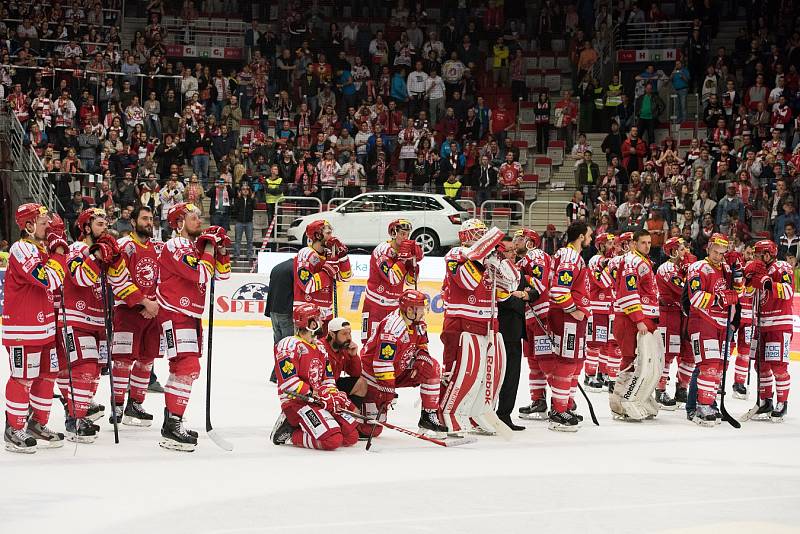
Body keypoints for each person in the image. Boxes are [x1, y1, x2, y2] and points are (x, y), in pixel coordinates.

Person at [57, 208, 142, 443]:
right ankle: (74, 419)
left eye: (106, 224)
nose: (105, 228)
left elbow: (122, 283)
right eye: (99, 224)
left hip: (100, 321)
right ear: (86, 227)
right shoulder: (75, 250)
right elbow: (81, 279)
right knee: (84, 369)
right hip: (76, 318)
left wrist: (143, 301)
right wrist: (96, 255)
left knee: (94, 372)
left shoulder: (106, 251)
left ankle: (80, 414)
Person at [155, 203, 231, 451]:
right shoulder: (175, 245)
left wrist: (220, 249)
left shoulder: (193, 246)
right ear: (178, 223)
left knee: (183, 368)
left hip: (189, 315)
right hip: (175, 312)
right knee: (187, 366)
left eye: (200, 216)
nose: (200, 221)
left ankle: (172, 421)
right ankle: (172, 425)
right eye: (193, 217)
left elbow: (223, 274)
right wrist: (209, 245)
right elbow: (200, 274)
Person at [439, 218, 512, 435]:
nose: (480, 236)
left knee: (485, 374)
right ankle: (444, 414)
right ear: (464, 236)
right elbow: (467, 281)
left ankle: (475, 413)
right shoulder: (455, 254)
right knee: (457, 371)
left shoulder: (488, 258)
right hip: (461, 322)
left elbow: (507, 289)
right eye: (475, 233)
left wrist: (500, 263)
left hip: (489, 322)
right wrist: (482, 257)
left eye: (483, 232)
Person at [3, 204, 65, 452]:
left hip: (45, 327)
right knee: (23, 378)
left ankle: (37, 423)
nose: (47, 226)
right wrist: (59, 253)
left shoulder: (40, 248)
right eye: (42, 222)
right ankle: (14, 429)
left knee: (48, 374)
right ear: (28, 226)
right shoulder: (21, 248)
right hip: (23, 328)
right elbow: (47, 279)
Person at [269, 304, 360, 450]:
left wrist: (332, 395)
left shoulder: (320, 347)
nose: (322, 322)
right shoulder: (289, 345)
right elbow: (288, 383)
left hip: (316, 400)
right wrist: (315, 394)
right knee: (332, 441)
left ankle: (312, 427)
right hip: (296, 403)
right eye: (318, 319)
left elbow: (328, 379)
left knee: (351, 436)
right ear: (310, 323)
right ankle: (290, 433)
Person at [360, 290, 448, 438]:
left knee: (431, 366)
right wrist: (387, 390)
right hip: (374, 377)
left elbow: (422, 344)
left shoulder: (418, 322)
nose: (423, 312)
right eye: (420, 309)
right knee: (371, 430)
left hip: (396, 370)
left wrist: (422, 356)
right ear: (409, 310)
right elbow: (382, 363)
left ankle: (428, 415)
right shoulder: (393, 327)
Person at [108, 207, 162, 426]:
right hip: (128, 311)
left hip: (152, 313)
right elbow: (118, 280)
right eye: (144, 218)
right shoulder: (124, 246)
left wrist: (155, 304)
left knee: (146, 360)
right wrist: (143, 302)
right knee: (122, 360)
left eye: (151, 219)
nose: (148, 222)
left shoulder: (157, 247)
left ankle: (135, 403)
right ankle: (118, 404)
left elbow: (163, 279)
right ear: (133, 221)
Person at [685, 233, 739, 426]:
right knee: (707, 366)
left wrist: (738, 273)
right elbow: (696, 298)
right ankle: (700, 405)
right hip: (702, 321)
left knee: (717, 368)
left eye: (722, 253)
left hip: (722, 324)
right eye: (715, 252)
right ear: (708, 248)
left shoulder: (725, 268)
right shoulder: (698, 267)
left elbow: (738, 293)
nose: (718, 256)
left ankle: (709, 403)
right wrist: (720, 299)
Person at [545, 221, 593, 431]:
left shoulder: (568, 255)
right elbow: (558, 290)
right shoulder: (571, 256)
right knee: (567, 362)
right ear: (581, 236)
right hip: (567, 320)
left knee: (574, 361)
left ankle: (565, 405)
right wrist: (572, 309)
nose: (591, 238)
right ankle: (559, 410)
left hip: (571, 319)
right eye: (589, 235)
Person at [610, 229, 661, 421]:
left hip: (642, 319)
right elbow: (627, 292)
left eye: (649, 242)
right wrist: (639, 319)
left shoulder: (643, 261)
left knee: (644, 362)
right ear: (634, 244)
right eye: (643, 243)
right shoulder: (633, 261)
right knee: (631, 361)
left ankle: (640, 397)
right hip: (630, 319)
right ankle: (620, 403)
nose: (647, 246)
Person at [744, 240, 793, 421]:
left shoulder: (783, 267)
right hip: (760, 325)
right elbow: (747, 294)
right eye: (756, 254)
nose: (758, 257)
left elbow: (788, 291)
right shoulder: (758, 268)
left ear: (770, 253)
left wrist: (766, 282)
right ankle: (765, 402)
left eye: (761, 254)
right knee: (761, 365)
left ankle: (783, 403)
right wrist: (749, 279)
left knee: (778, 366)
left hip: (778, 324)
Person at [361, 219, 422, 342]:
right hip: (375, 306)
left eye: (408, 234)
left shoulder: (405, 251)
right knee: (370, 342)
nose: (406, 238)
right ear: (393, 233)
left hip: (395, 307)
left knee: (392, 343)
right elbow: (392, 278)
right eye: (402, 234)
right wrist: (403, 260)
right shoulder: (382, 251)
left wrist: (414, 263)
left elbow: (410, 282)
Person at [516, 229, 553, 421]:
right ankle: (538, 400)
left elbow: (539, 285)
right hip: (530, 316)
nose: (515, 242)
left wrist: (520, 277)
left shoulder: (536, 255)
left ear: (530, 242)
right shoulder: (522, 261)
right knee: (533, 361)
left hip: (542, 314)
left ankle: (561, 403)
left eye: (520, 239)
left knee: (546, 361)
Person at [494, 234, 528, 431]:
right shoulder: (495, 271)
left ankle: (505, 414)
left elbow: (533, 292)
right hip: (501, 331)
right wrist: (521, 299)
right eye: (509, 251)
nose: (514, 254)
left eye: (514, 250)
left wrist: (523, 295)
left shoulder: (517, 271)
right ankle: (490, 413)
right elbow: (503, 300)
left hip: (515, 331)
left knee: (513, 375)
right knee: (498, 374)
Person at [293, 220, 352, 333]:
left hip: (326, 314)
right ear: (318, 235)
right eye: (328, 233)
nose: (332, 236)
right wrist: (329, 269)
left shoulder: (330, 254)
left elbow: (345, 277)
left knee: (325, 349)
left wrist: (343, 257)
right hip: (307, 314)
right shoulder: (306, 253)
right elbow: (308, 286)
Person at [654, 237, 688, 410]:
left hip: (676, 314)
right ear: (673, 251)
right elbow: (682, 290)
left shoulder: (677, 268)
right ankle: (660, 390)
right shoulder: (667, 268)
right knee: (666, 353)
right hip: (667, 314)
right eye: (682, 249)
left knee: (675, 352)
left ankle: (679, 388)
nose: (686, 252)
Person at [584, 232, 615, 392]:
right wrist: (612, 268)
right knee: (595, 344)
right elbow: (604, 282)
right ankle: (589, 375)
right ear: (601, 245)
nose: (613, 247)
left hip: (607, 308)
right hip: (596, 308)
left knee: (606, 344)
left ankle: (602, 373)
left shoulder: (607, 261)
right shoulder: (596, 260)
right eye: (609, 244)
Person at [318, 317, 367, 405]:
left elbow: (356, 374)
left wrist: (353, 356)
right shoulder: (320, 348)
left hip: (334, 385)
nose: (349, 337)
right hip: (320, 389)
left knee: (361, 384)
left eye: (349, 333)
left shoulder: (343, 349)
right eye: (344, 334)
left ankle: (351, 415)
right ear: (332, 335)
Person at [233, 182, 255, 260]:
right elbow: (235, 210)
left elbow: (254, 207)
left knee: (249, 240)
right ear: (240, 191)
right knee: (237, 240)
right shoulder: (238, 199)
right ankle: (236, 255)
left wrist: (252, 199)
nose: (245, 190)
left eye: (247, 189)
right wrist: (238, 199)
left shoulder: (251, 199)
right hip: (239, 222)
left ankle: (249, 255)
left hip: (249, 222)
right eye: (243, 189)